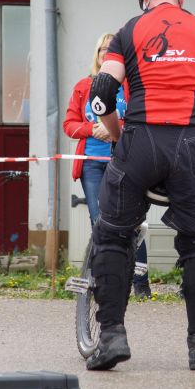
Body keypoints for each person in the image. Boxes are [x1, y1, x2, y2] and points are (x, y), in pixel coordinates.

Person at [85, 0, 195, 371]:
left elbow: (101, 92)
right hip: (191, 146)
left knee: (113, 236)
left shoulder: (129, 30)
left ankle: (111, 337)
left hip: (140, 141)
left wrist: (117, 134)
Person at [63, 33, 150, 298]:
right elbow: (69, 125)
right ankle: (104, 280)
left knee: (132, 220)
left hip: (124, 162)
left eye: (111, 50)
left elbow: (141, 120)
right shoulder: (83, 86)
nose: (105, 53)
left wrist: (114, 127)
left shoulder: (132, 86)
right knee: (99, 221)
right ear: (97, 54)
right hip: (91, 164)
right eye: (102, 49)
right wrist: (92, 129)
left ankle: (140, 282)